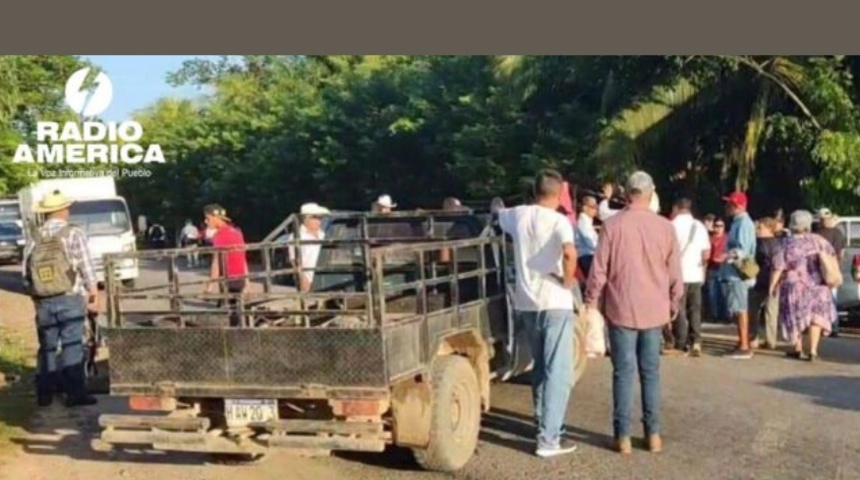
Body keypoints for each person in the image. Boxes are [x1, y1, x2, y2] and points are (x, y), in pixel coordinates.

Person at [585, 171, 682, 455]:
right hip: (654, 311)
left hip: (620, 308)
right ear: (651, 194)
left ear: (626, 194)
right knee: (650, 373)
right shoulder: (666, 228)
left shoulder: (612, 226)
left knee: (623, 372)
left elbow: (598, 270)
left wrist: (592, 302)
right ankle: (653, 435)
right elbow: (675, 274)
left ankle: (623, 436)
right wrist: (673, 305)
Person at [497, 169, 579, 458]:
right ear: (558, 195)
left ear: (534, 191)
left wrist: (497, 205)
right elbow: (570, 253)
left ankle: (543, 422)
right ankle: (549, 439)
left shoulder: (517, 215)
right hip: (555, 300)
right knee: (559, 371)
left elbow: (497, 212)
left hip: (527, 302)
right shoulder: (560, 221)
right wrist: (568, 282)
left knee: (541, 367)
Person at [21, 190, 99, 407]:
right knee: (72, 345)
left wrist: (36, 298)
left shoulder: (34, 237)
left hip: (43, 301)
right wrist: (94, 294)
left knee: (47, 346)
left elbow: (25, 273)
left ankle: (44, 394)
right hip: (70, 297)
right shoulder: (73, 233)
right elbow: (86, 267)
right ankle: (75, 394)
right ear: (64, 210)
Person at [769, 210, 837, 361]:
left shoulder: (786, 243)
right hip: (818, 285)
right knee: (816, 317)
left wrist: (772, 286)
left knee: (795, 317)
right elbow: (832, 257)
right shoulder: (819, 240)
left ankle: (798, 349)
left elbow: (778, 267)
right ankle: (813, 351)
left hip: (795, 286)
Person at [667, 198, 711, 357]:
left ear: (676, 208)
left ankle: (681, 341)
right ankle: (696, 341)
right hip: (696, 273)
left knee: (679, 308)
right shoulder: (699, 226)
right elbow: (706, 253)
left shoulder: (671, 226)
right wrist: (703, 271)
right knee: (695, 309)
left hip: (678, 274)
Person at [719, 192, 757, 359]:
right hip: (732, 273)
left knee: (740, 308)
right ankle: (741, 341)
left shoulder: (744, 224)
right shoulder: (737, 222)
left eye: (730, 205)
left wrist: (726, 256)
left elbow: (743, 250)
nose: (728, 208)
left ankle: (744, 345)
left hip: (738, 273)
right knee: (736, 308)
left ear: (738, 206)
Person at [202, 204, 249, 327]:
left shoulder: (220, 235)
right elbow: (243, 258)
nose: (206, 222)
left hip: (228, 279)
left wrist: (210, 285)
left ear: (215, 218)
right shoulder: (237, 232)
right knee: (238, 310)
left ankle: (233, 339)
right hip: (240, 279)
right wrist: (248, 281)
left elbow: (216, 262)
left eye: (208, 218)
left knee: (229, 312)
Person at [813, 208, 845, 337]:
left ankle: (828, 326)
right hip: (827, 268)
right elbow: (841, 254)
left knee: (825, 299)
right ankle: (832, 327)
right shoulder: (836, 233)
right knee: (830, 299)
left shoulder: (817, 233)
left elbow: (840, 254)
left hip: (822, 270)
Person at [750, 218, 780, 350]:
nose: (757, 230)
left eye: (760, 228)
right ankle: (770, 340)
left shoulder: (761, 244)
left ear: (769, 228)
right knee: (770, 312)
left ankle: (754, 338)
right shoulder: (778, 244)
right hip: (773, 280)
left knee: (755, 310)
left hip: (761, 278)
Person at [286, 203, 330, 292]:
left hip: (325, 279)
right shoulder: (297, 237)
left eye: (320, 218)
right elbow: (295, 262)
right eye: (315, 217)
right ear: (306, 219)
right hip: (310, 281)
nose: (319, 221)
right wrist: (304, 282)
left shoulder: (323, 235)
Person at [706, 217, 729, 322]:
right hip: (711, 267)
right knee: (712, 293)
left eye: (721, 226)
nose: (718, 228)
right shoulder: (709, 238)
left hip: (723, 268)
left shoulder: (727, 238)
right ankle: (714, 315)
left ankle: (725, 315)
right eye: (716, 226)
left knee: (724, 293)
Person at [575, 196, 599, 276]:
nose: (595, 209)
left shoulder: (588, 222)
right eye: (593, 207)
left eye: (596, 206)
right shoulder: (583, 223)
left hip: (590, 256)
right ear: (585, 208)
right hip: (587, 257)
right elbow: (591, 243)